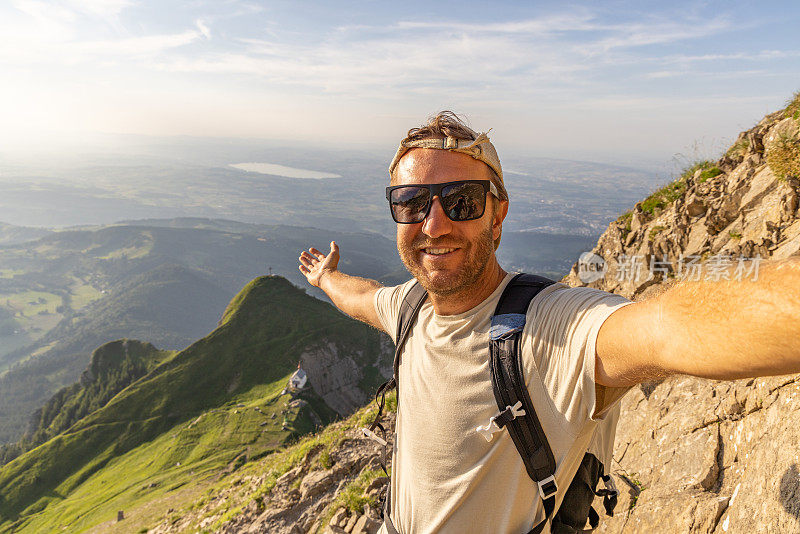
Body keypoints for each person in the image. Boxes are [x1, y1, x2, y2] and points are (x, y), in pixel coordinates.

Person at [298, 111, 800, 534]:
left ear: (498, 216)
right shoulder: (409, 306)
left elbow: (664, 329)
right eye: (410, 203)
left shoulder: (546, 328)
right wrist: (326, 278)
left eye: (462, 201)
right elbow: (365, 299)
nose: (434, 224)